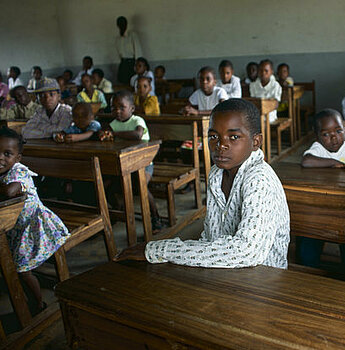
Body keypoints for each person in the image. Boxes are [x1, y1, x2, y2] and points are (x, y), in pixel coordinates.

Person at [115, 98, 290, 269]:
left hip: (265, 277)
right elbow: (211, 236)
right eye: (213, 136)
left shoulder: (259, 179)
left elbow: (248, 252)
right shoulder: (216, 173)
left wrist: (159, 250)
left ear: (256, 142)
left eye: (234, 137)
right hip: (227, 267)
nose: (221, 145)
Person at [0, 127, 69, 312]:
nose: (1, 158)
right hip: (15, 227)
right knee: (12, 264)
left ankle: (38, 304)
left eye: (7, 154)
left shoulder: (18, 171)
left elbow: (9, 191)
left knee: (23, 270)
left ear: (18, 158)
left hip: (34, 226)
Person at [99, 90, 162, 230]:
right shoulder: (113, 123)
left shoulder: (137, 121)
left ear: (132, 109)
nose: (118, 111)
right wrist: (104, 134)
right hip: (123, 164)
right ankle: (118, 209)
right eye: (114, 108)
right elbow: (106, 133)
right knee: (106, 186)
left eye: (122, 107)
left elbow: (137, 135)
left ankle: (156, 217)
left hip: (144, 163)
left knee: (141, 187)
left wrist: (113, 133)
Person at [116, 16, 142, 85]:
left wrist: (137, 65)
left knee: (132, 82)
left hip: (132, 63)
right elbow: (119, 53)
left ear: (126, 24)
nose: (121, 26)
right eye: (120, 24)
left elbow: (138, 50)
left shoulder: (132, 35)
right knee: (122, 81)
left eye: (123, 24)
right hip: (123, 63)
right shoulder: (118, 39)